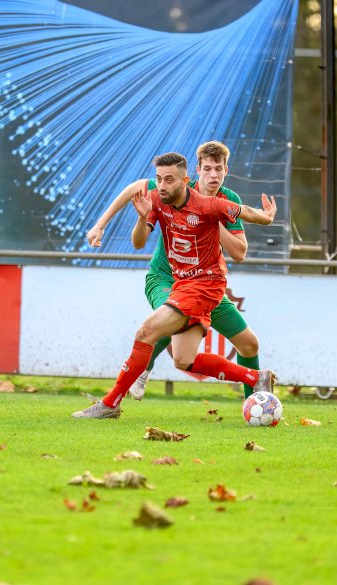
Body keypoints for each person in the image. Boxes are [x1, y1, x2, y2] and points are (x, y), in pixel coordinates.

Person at [72, 152, 277, 419]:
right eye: (159, 179)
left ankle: (111, 403)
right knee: (183, 359)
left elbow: (247, 216)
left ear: (184, 181)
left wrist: (267, 217)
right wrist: (135, 218)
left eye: (169, 180)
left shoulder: (209, 205)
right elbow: (137, 242)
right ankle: (255, 376)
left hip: (204, 286)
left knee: (147, 331)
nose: (162, 185)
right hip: (179, 283)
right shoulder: (157, 198)